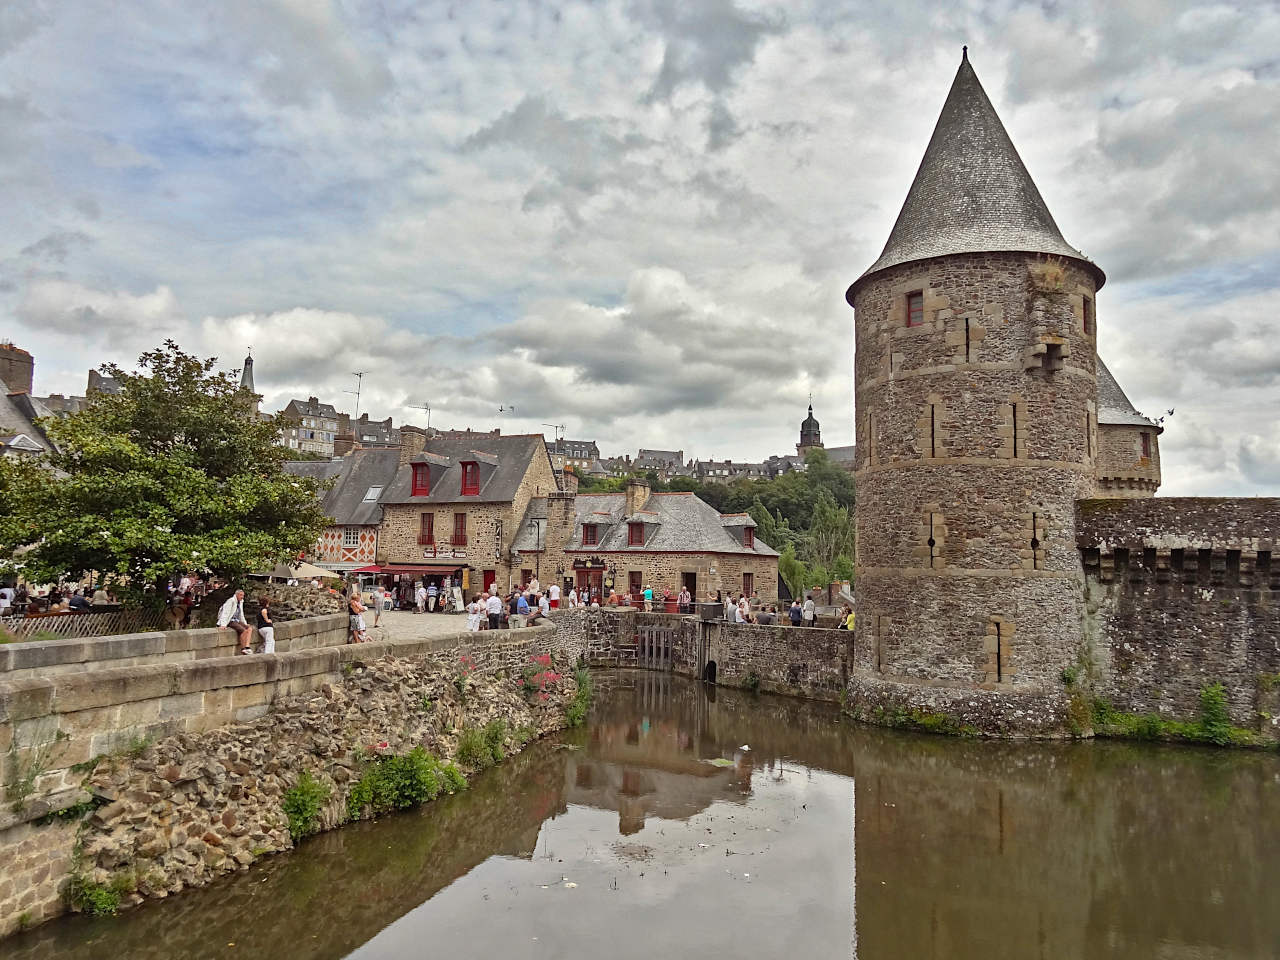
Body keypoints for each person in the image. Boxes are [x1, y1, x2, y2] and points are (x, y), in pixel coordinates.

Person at [217, 589, 253, 654]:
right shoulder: (231, 601)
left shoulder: (240, 602)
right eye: (241, 595)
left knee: (249, 629)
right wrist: (223, 625)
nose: (242, 597)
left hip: (236, 619)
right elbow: (226, 613)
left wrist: (245, 623)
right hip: (230, 620)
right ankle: (243, 648)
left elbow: (241, 614)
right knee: (243, 631)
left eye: (243, 595)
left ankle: (247, 646)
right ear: (236, 595)